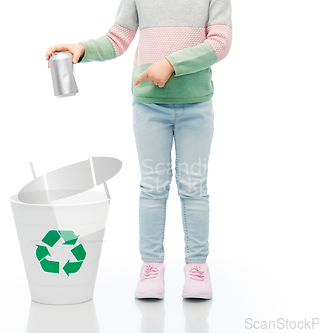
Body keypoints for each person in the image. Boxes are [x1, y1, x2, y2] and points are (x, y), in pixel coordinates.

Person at [46, 0, 232, 300]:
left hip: (197, 106)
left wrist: (171, 63)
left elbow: (220, 43)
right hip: (149, 108)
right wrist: (83, 49)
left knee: (194, 186)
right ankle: (152, 268)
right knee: (153, 188)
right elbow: (118, 39)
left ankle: (197, 267)